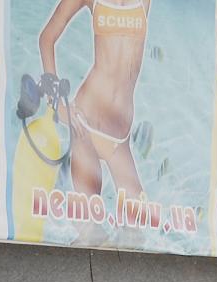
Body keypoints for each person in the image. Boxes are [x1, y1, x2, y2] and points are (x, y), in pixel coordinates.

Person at [38, 0, 150, 241]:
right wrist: (56, 102)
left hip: (119, 135)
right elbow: (46, 39)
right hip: (86, 123)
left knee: (137, 233)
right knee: (91, 234)